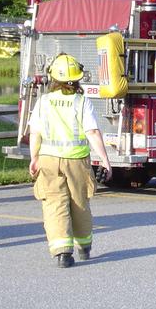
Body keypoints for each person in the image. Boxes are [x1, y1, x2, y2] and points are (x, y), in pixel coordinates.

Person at [28, 53, 112, 268]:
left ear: (53, 78)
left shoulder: (43, 102)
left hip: (48, 161)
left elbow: (35, 133)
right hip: (76, 161)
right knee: (79, 203)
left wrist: (34, 158)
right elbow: (92, 132)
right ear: (77, 79)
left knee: (54, 205)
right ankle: (84, 247)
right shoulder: (81, 102)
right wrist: (104, 159)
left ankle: (62, 253)